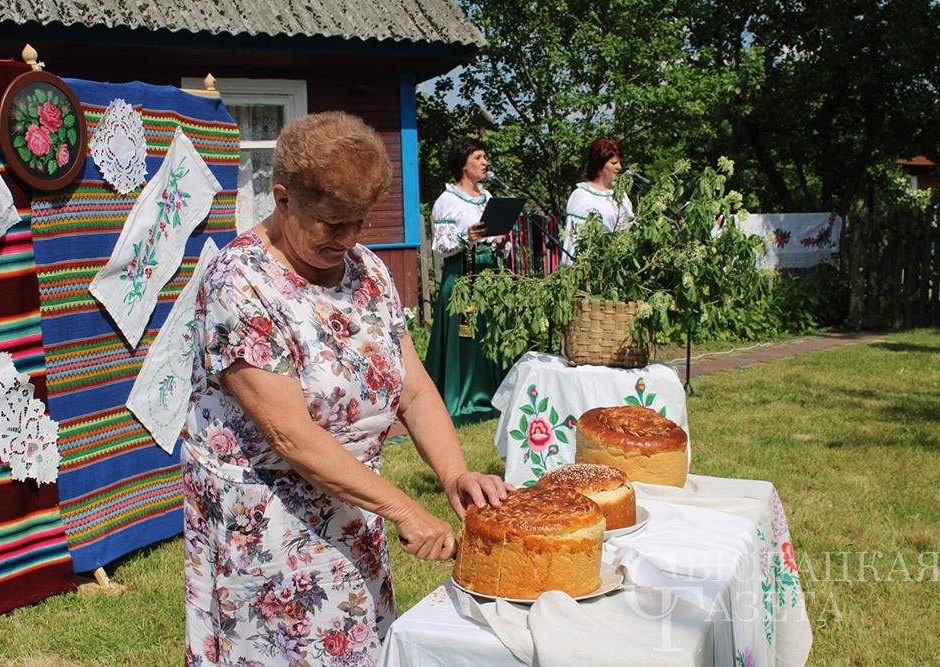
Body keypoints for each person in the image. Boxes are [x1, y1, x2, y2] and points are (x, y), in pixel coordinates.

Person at [182, 112, 508, 666]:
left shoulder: (368, 272)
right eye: (334, 224)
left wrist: (454, 473)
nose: (350, 238)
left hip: (350, 510)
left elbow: (416, 392)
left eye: (360, 222)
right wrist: (405, 510)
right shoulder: (239, 283)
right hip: (268, 531)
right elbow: (290, 435)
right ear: (282, 199)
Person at [424, 136, 510, 426]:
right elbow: (442, 246)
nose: (485, 163)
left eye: (485, 157)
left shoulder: (488, 199)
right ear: (463, 164)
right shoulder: (448, 201)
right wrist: (466, 237)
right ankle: (461, 397)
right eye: (478, 158)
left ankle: (491, 394)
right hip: (463, 274)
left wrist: (499, 242)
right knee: (465, 333)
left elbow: (498, 244)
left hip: (489, 273)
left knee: (488, 333)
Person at [560, 137, 635, 265]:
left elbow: (630, 230)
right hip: (591, 266)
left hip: (620, 266)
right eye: (614, 163)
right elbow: (573, 239)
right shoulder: (581, 195)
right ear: (600, 165)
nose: (619, 167)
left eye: (619, 163)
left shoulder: (621, 196)